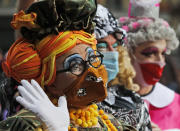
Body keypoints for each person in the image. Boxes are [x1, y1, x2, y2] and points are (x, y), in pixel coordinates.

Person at [0, 0, 136, 130]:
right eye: (75, 66)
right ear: (50, 80)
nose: (92, 72)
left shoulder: (113, 124)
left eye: (93, 59)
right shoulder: (26, 124)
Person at [119, 0, 180, 130]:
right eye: (149, 53)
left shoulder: (176, 104)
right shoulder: (106, 102)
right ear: (127, 55)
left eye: (163, 53)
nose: (160, 61)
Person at [93, 4, 152, 131]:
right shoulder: (71, 102)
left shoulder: (134, 101)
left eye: (114, 46)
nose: (111, 52)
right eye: (101, 47)